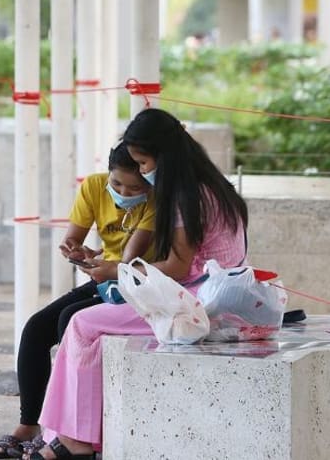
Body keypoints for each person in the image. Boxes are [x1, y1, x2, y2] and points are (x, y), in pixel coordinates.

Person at [27, 108, 247, 460]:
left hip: (196, 301)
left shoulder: (185, 196)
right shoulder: (211, 184)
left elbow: (178, 267)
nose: (144, 173)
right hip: (214, 294)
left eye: (143, 164)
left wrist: (116, 272)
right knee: (82, 322)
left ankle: (74, 442)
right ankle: (65, 436)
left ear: (163, 157)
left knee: (82, 325)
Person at [0, 142, 156, 459]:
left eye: (133, 188)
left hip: (133, 285)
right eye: (117, 183)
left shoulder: (155, 200)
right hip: (104, 279)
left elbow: (130, 259)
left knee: (71, 321)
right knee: (36, 329)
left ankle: (63, 433)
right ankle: (29, 424)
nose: (123, 192)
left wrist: (106, 262)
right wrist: (77, 251)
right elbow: (73, 239)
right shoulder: (93, 187)